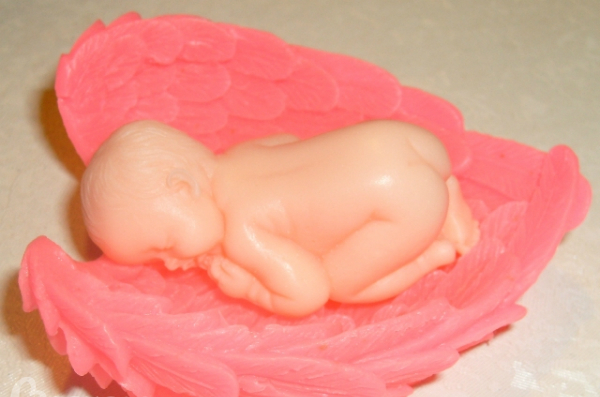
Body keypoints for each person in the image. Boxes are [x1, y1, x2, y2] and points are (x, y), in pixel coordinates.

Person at [81, 120, 479, 316]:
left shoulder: (241, 232)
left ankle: (432, 252)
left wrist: (250, 289)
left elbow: (309, 292)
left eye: (165, 246)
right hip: (405, 140)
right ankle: (448, 189)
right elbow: (288, 142)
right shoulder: (240, 154)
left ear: (184, 188)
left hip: (405, 204)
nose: (169, 264)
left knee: (341, 283)